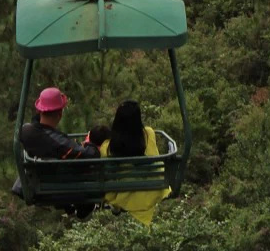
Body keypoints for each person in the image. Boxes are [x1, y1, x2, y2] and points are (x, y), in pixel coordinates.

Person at [13, 86, 100, 216]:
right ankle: (84, 207)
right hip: (58, 186)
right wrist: (89, 143)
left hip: (39, 181)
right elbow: (91, 156)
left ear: (40, 111)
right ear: (60, 114)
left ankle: (74, 208)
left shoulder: (26, 131)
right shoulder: (58, 142)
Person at [99, 99, 171, 226]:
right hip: (153, 188)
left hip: (122, 193)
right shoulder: (148, 134)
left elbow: (107, 175)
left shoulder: (108, 146)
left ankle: (117, 205)